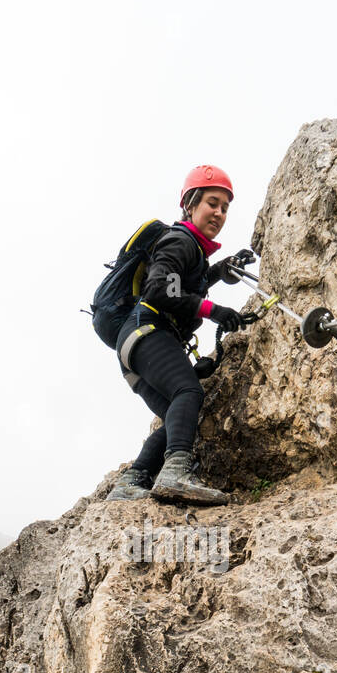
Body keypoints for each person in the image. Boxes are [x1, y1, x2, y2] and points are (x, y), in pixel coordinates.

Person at [107, 165, 254, 504]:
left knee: (178, 410)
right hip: (148, 331)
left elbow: (179, 283)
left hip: (134, 345)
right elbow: (160, 289)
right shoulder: (180, 240)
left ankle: (133, 480)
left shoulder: (192, 251)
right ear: (191, 204)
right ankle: (175, 475)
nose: (219, 213)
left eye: (225, 208)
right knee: (188, 391)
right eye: (212, 203)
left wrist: (221, 269)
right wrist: (214, 310)